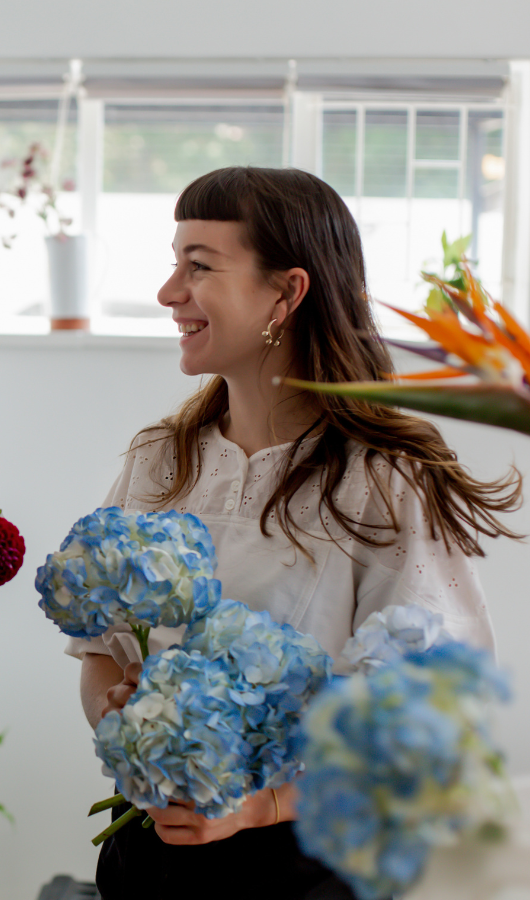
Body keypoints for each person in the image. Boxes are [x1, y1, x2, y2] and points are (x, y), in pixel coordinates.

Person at [68, 166, 522, 900]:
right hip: (149, 854)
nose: (168, 292)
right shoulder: (160, 460)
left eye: (199, 266)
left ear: (287, 293)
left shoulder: (382, 479)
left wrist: (263, 805)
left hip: (307, 866)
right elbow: (99, 656)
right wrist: (128, 725)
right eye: (173, 261)